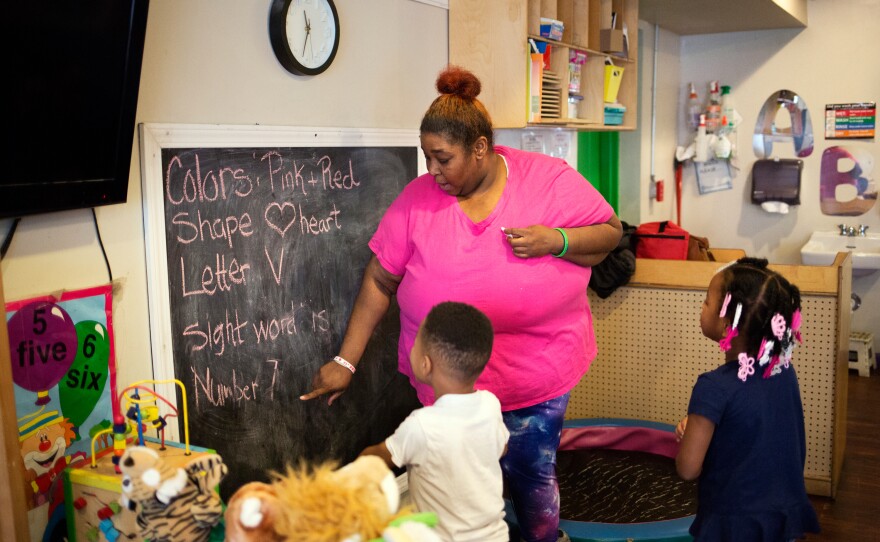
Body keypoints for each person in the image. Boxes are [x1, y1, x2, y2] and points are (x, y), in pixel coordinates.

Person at [301, 65, 622, 542]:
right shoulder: (417, 200)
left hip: (538, 377)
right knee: (455, 488)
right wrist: (346, 360)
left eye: (443, 158)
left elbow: (610, 233)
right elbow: (379, 279)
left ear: (480, 148)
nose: (432, 171)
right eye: (427, 156)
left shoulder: (548, 179)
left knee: (531, 481)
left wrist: (555, 240)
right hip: (448, 382)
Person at [675, 257, 820, 541]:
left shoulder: (713, 386)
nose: (701, 308)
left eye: (706, 301)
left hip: (734, 521)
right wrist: (701, 426)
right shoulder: (784, 371)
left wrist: (691, 435)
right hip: (782, 516)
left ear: (728, 322)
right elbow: (757, 429)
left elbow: (688, 468)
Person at [360, 301, 509, 542]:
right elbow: (502, 448)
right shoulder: (490, 404)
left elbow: (378, 457)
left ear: (425, 364)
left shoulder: (422, 425)